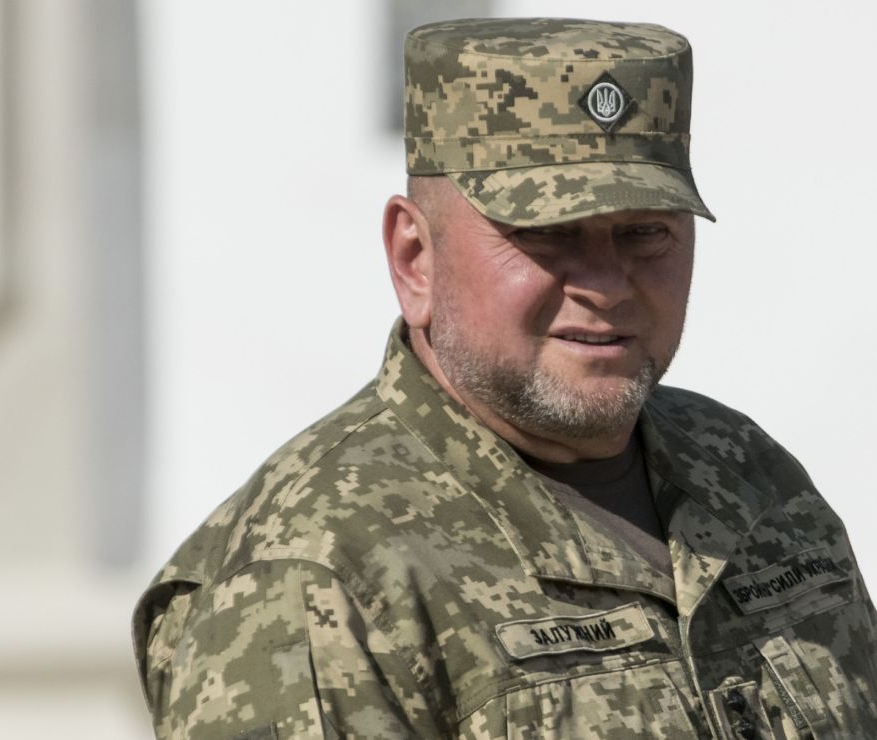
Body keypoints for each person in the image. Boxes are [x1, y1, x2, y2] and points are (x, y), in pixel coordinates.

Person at [132, 18, 877, 739]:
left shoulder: (748, 477)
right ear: (414, 258)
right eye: (548, 235)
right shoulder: (315, 573)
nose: (607, 284)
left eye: (644, 232)